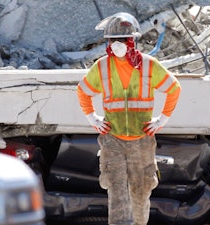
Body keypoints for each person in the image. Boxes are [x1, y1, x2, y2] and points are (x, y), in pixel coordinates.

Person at [76, 12, 181, 225]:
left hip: (141, 140)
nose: (117, 45)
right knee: (116, 190)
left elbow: (174, 89)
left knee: (141, 189)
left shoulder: (149, 65)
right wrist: (92, 117)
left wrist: (162, 119)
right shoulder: (103, 66)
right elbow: (83, 91)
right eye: (113, 40)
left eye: (123, 40)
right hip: (112, 139)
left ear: (132, 41)